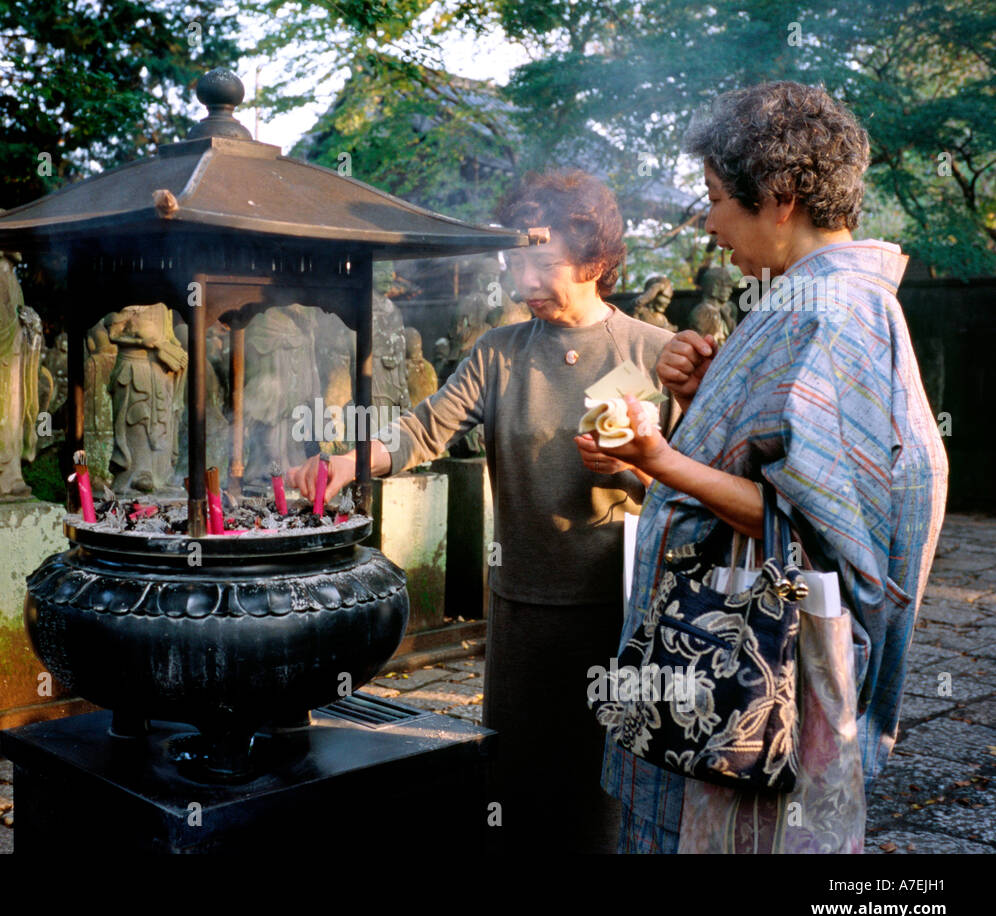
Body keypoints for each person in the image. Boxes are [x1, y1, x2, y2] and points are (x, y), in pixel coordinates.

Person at [582, 80, 948, 853]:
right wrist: (698, 395)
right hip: (715, 662)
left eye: (716, 198)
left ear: (779, 196)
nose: (710, 228)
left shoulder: (831, 310)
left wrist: (658, 459)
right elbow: (773, 459)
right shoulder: (802, 301)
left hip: (746, 679)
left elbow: (812, 530)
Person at [286, 169, 678, 853]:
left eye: (537, 258)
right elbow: (421, 430)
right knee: (518, 779)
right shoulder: (500, 352)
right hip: (521, 605)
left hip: (613, 608)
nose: (519, 276)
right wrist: (346, 463)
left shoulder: (653, 352)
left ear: (592, 259)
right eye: (513, 260)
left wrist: (638, 468)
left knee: (602, 782)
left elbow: (692, 485)